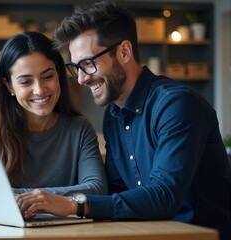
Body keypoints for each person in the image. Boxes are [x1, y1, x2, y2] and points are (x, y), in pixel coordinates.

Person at [16, 2, 231, 240]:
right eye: (76, 67)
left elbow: (164, 196)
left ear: (124, 52)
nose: (81, 79)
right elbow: (116, 190)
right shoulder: (114, 115)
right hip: (149, 233)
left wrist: (73, 204)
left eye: (88, 64)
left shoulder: (176, 105)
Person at [0, 31, 108, 210]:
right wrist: (34, 199)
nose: (39, 90)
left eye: (47, 77)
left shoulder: (79, 129)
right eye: (26, 82)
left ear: (58, 74)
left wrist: (21, 197)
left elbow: (98, 190)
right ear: (9, 86)